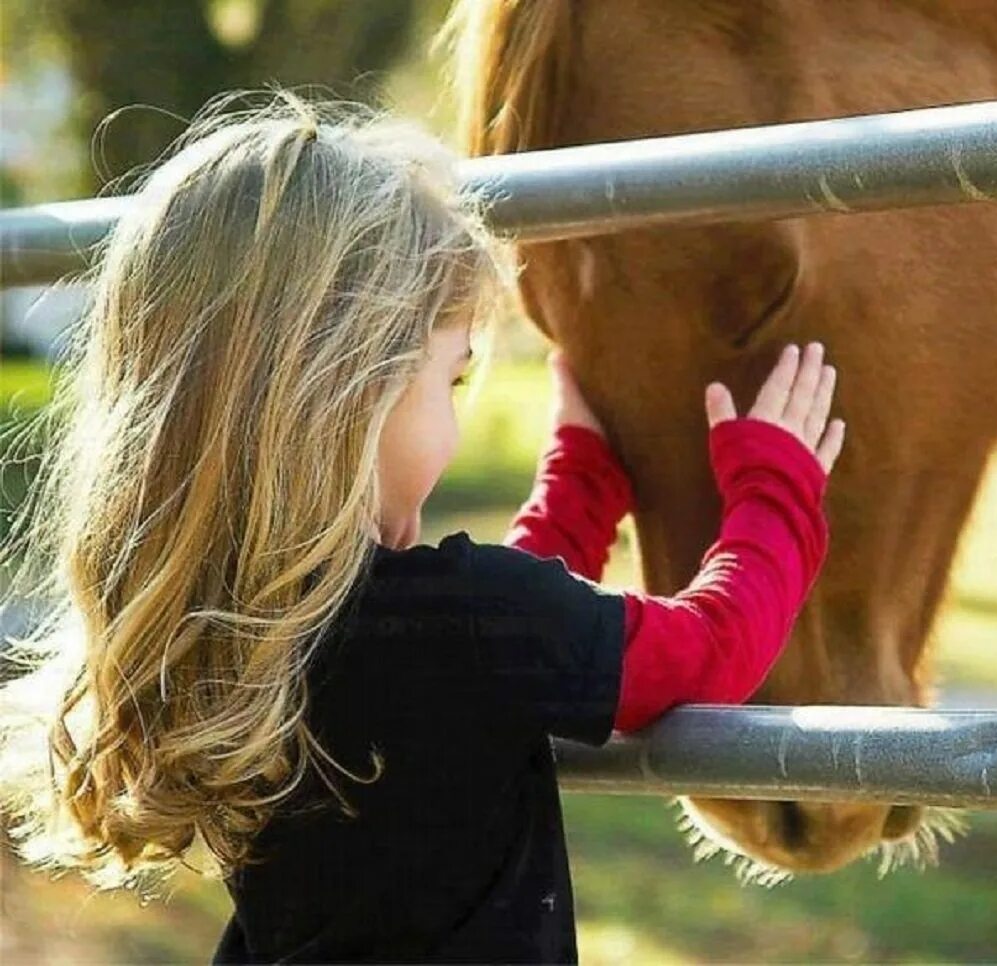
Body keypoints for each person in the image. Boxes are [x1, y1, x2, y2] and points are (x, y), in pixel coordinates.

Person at [0, 88, 844, 964]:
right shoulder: (467, 623)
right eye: (453, 379)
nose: (456, 409)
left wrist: (583, 483)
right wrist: (776, 484)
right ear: (354, 386)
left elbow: (488, 655)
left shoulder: (231, 629)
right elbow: (709, 650)